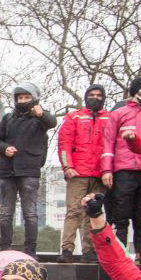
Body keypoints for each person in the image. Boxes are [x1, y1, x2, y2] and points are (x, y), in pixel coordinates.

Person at [101, 77, 141, 260]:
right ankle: (120, 254)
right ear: (136, 91)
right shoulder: (118, 113)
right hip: (124, 169)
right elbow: (108, 143)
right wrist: (107, 170)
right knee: (120, 214)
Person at [0, 84, 56, 258]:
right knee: (6, 213)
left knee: (30, 213)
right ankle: (5, 249)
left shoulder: (40, 117)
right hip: (7, 171)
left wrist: (41, 114)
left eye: (26, 97)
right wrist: (4, 148)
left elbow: (52, 122)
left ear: (34, 98)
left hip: (30, 170)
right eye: (20, 98)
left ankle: (31, 251)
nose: (22, 101)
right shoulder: (7, 118)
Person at [56, 85, 110, 261]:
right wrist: (67, 167)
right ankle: (67, 249)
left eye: (99, 95)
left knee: (92, 212)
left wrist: (108, 170)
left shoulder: (110, 118)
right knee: (74, 211)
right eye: (92, 95)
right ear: (86, 97)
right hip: (77, 173)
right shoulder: (74, 117)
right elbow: (64, 143)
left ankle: (89, 250)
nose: (95, 98)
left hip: (99, 174)